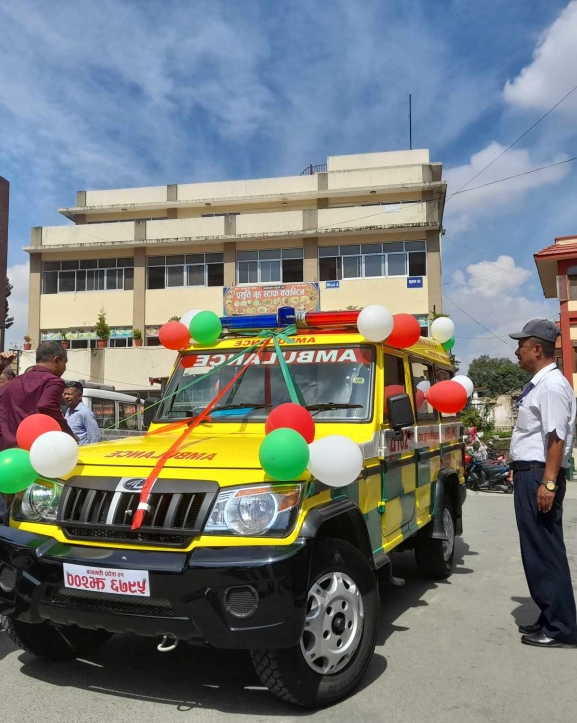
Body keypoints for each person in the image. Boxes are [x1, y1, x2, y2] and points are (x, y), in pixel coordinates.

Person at [509, 319, 577, 648]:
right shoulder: (540, 385)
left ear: (538, 349)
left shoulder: (551, 386)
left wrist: (548, 483)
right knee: (536, 549)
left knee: (545, 551)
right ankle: (550, 616)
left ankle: (561, 627)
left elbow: (556, 437)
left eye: (521, 346)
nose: (517, 351)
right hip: (531, 472)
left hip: (540, 474)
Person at [63, 381, 102, 445]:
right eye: (64, 394)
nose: (66, 397)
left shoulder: (84, 412)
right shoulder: (68, 411)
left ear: (79, 396)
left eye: (69, 394)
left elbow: (95, 438)